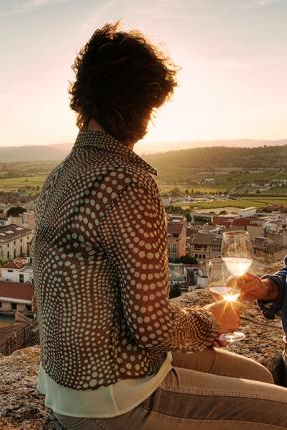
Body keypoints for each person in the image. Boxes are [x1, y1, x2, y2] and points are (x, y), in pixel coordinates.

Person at [32, 22, 287, 429]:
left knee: (259, 375)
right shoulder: (128, 179)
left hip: (68, 382)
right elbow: (151, 327)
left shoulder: (60, 176)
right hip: (113, 396)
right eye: (150, 106)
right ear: (139, 103)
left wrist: (194, 331)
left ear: (84, 100)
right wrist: (210, 321)